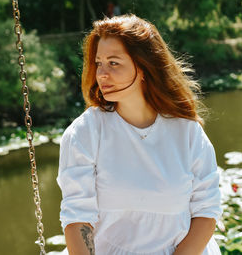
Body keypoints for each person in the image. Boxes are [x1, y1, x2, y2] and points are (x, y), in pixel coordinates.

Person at [56, 14, 222, 255]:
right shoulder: (84, 133)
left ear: (144, 67)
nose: (101, 73)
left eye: (113, 63)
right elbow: (77, 220)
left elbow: (206, 213)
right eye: (98, 63)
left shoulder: (187, 132)